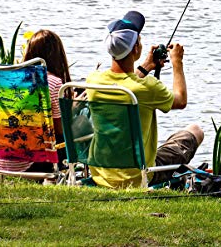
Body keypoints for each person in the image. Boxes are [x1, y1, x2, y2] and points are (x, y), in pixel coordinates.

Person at [86, 10, 204, 188]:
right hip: (137, 176)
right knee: (195, 130)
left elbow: (126, 84)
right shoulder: (147, 87)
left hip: (101, 173)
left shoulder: (94, 81)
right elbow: (180, 100)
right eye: (139, 39)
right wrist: (177, 62)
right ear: (135, 49)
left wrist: (146, 66)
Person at [0, 29, 71, 173]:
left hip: (2, 159)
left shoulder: (11, 80)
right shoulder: (53, 83)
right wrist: (73, 109)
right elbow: (60, 129)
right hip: (32, 163)